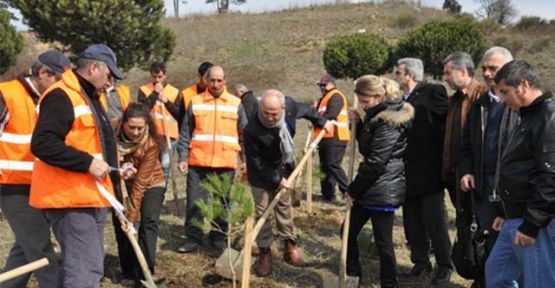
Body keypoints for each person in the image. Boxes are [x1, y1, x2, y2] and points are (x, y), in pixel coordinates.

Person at [30, 44, 124, 288]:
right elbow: (43, 143)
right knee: (85, 271)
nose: (110, 81)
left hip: (90, 197)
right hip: (70, 200)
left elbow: (95, 145)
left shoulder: (88, 97)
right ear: (93, 68)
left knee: (82, 268)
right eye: (109, 74)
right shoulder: (62, 96)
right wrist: (87, 163)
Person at [0, 49, 71, 288]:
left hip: (38, 185)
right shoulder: (6, 94)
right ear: (42, 73)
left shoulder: (47, 99)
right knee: (40, 246)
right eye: (58, 80)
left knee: (25, 245)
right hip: (11, 185)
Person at [485, 60, 555, 288]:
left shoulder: (548, 117)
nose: (502, 100)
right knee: (496, 273)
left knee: (539, 281)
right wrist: (504, 211)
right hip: (515, 215)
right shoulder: (528, 116)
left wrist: (533, 223)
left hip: (535, 220)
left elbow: (549, 175)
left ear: (523, 85)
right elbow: (518, 168)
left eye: (505, 92)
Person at [243, 89, 328, 277]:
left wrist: (322, 121)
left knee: (284, 208)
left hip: (284, 166)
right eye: (265, 112)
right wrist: (276, 179)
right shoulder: (252, 130)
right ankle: (265, 252)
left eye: (274, 113)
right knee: (263, 212)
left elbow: (306, 110)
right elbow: (256, 162)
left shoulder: (289, 107)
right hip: (260, 174)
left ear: (282, 108)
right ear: (260, 108)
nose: (270, 117)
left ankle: (290, 246)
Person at [457, 47, 519, 287]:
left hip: (511, 190)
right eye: (484, 67)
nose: (486, 72)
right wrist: (467, 170)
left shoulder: (518, 106)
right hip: (483, 187)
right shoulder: (479, 105)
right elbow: (466, 145)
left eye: (493, 68)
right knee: (487, 241)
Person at [346, 76, 414, 288]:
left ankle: (389, 283)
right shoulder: (375, 116)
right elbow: (368, 148)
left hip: (383, 186)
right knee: (347, 231)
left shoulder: (389, 121)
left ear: (379, 96)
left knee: (383, 240)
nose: (363, 105)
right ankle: (352, 273)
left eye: (365, 101)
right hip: (372, 185)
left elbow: (376, 162)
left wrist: (353, 191)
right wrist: (356, 125)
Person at [176, 66, 248, 253]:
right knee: (194, 203)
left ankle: (218, 237)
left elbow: (244, 136)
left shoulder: (235, 104)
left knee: (222, 203)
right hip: (198, 162)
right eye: (212, 80)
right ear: (206, 81)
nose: (215, 84)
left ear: (225, 80)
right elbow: (185, 132)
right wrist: (183, 157)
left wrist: (244, 160)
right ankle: (193, 237)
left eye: (219, 80)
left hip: (225, 163)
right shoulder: (196, 102)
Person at [394, 58, 453, 283]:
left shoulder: (432, 91)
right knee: (412, 222)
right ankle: (420, 262)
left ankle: (445, 265)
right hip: (406, 172)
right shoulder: (399, 99)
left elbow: (447, 121)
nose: (395, 76)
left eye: (398, 72)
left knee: (435, 221)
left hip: (429, 171)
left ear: (409, 75)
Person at [114, 103, 166, 286]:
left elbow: (141, 184)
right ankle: (128, 271)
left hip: (152, 182)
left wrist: (132, 214)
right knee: (121, 224)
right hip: (122, 184)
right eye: (131, 127)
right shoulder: (113, 134)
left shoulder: (151, 144)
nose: (136, 133)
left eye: (140, 128)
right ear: (123, 124)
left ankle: (146, 270)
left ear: (147, 126)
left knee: (149, 220)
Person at [442, 51, 488, 206]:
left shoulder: (483, 95)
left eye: (448, 73)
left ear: (462, 71)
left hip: (475, 174)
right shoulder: (454, 100)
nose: (445, 78)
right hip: (456, 173)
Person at [138, 62, 180, 180]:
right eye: (154, 77)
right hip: (151, 135)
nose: (157, 80)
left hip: (168, 136)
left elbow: (178, 114)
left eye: (160, 77)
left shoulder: (174, 92)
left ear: (165, 75)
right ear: (151, 75)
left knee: (165, 167)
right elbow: (142, 110)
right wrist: (155, 94)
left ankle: (162, 194)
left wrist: (166, 102)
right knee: (151, 166)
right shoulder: (144, 90)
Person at [314, 74, 350, 202]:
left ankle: (348, 192)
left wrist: (314, 116)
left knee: (332, 165)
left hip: (336, 136)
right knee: (324, 167)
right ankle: (328, 194)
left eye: (324, 85)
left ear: (332, 84)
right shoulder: (323, 98)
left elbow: (330, 115)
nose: (322, 87)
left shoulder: (336, 96)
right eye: (320, 85)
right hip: (324, 137)